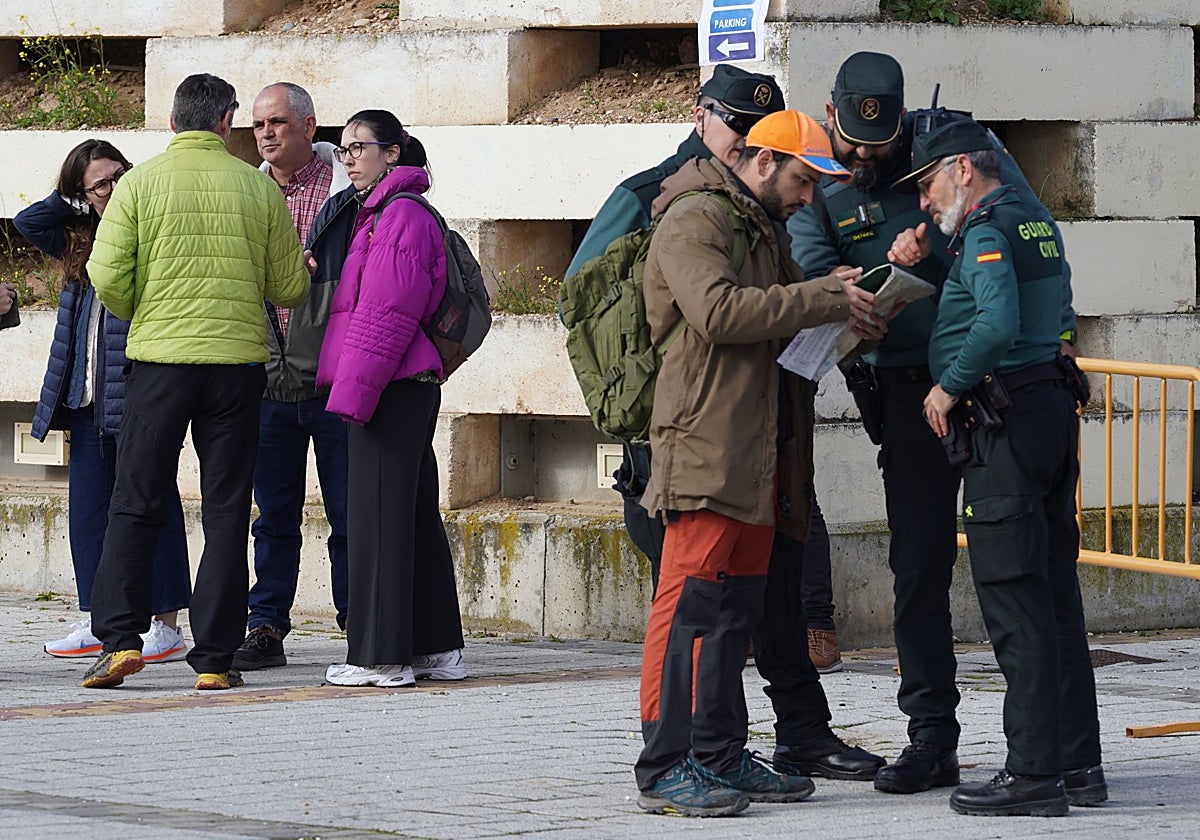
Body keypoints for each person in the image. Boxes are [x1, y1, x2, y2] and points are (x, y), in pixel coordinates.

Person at [570, 65, 884, 786]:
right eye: (804, 182)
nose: (811, 200)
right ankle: (665, 764)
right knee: (688, 612)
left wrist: (853, 319)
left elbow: (776, 332)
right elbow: (717, 313)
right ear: (764, 161)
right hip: (704, 447)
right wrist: (819, 298)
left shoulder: (754, 221)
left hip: (754, 451)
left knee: (732, 617)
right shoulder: (693, 214)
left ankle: (716, 755)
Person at [788, 51, 1079, 795]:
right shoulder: (820, 178)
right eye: (852, 143)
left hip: (980, 392)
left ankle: (1057, 759)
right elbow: (810, 271)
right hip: (901, 396)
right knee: (918, 570)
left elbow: (1011, 229)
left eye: (880, 150)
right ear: (831, 118)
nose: (864, 158)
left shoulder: (953, 151)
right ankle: (931, 737)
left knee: (1026, 575)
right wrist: (849, 300)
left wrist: (936, 247)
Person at [889, 116, 1104, 816]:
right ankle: (1079, 764)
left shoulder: (985, 229)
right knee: (1054, 593)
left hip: (1003, 424)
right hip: (1047, 412)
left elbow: (995, 323)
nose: (923, 201)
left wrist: (946, 388)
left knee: (1014, 601)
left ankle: (1033, 774)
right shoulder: (1033, 222)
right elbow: (1058, 310)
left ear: (961, 170)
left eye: (925, 183)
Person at [80, 73, 309, 691]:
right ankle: (214, 658)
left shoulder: (138, 184)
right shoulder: (256, 190)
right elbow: (290, 288)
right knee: (229, 508)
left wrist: (143, 308)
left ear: (173, 122)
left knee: (136, 499)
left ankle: (121, 641)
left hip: (158, 365)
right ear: (227, 121)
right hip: (236, 369)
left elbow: (105, 275)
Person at [15, 140, 192, 664]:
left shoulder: (148, 227)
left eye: (120, 175)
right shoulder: (76, 239)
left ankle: (166, 624)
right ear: (81, 193)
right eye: (99, 184)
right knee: (89, 514)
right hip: (85, 397)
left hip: (137, 396)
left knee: (151, 507)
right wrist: (70, 201)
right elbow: (28, 222)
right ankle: (100, 620)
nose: (113, 189)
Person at [316, 109, 467, 688]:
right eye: (344, 149)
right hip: (400, 385)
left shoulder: (398, 216)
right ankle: (437, 649)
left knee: (376, 518)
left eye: (360, 147)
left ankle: (380, 657)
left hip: (387, 385)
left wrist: (354, 394)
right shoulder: (384, 213)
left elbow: (385, 316)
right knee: (410, 516)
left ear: (394, 153)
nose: (349, 157)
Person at [232, 82, 353, 671]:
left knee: (349, 515)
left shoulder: (348, 191)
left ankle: (361, 622)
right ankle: (265, 627)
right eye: (258, 125)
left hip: (334, 381)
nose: (266, 134)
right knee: (272, 518)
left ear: (309, 125)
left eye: (278, 121)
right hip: (266, 384)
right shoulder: (247, 193)